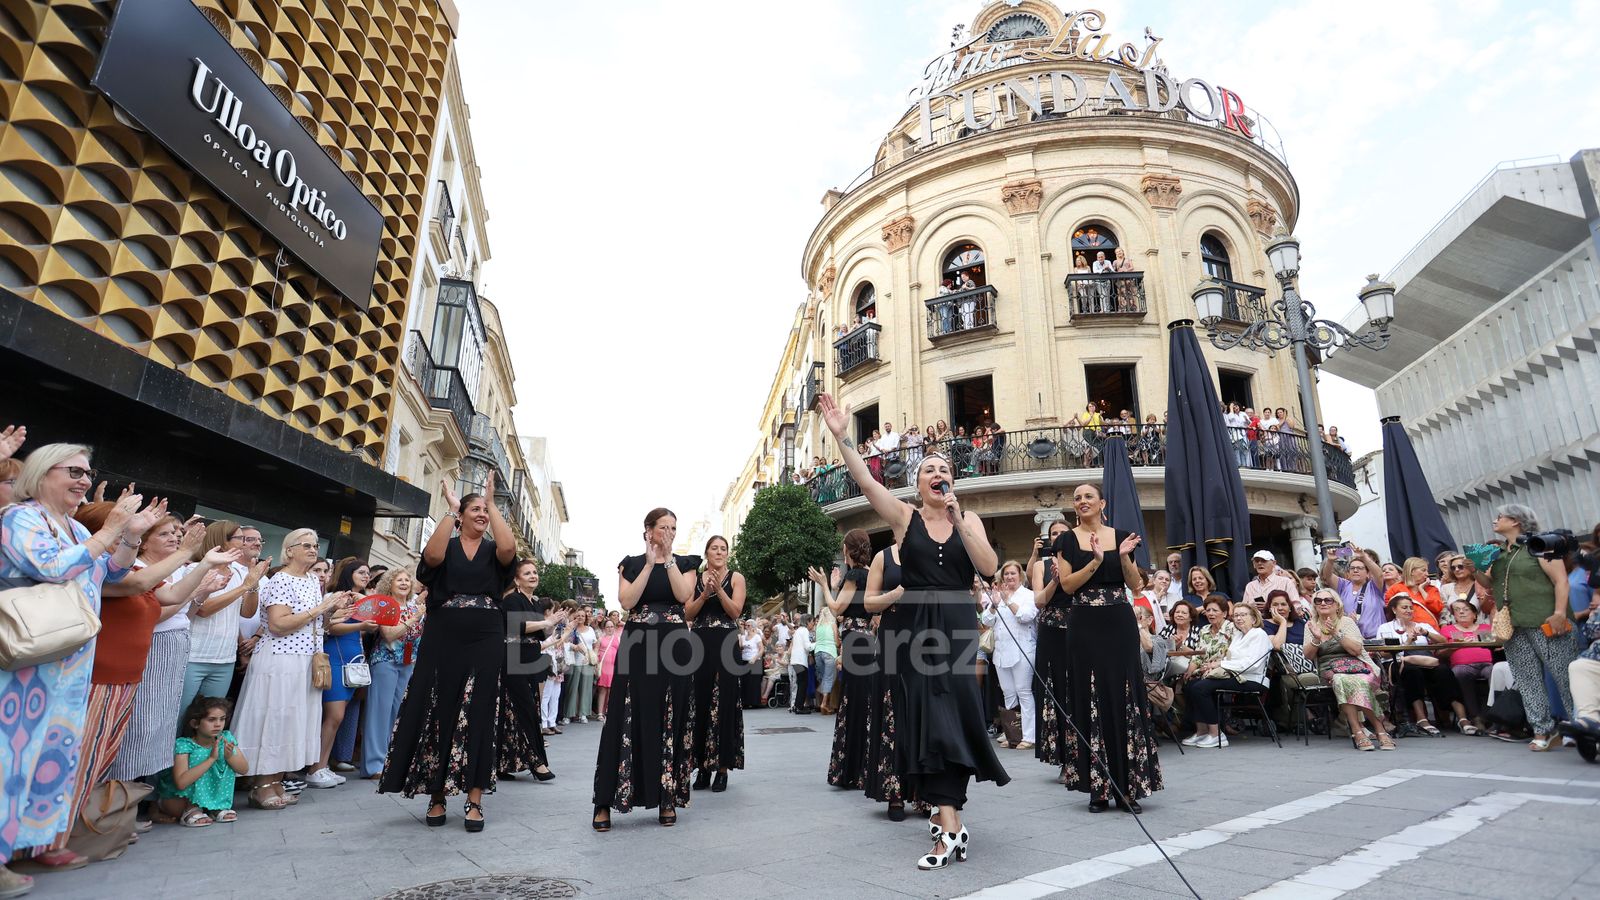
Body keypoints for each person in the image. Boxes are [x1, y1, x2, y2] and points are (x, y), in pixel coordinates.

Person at [818, 393, 1008, 870]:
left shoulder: (971, 519)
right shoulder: (905, 519)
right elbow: (864, 479)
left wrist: (961, 518)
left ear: (952, 479)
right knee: (928, 719)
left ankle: (950, 822)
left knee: (957, 716)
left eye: (942, 468)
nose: (936, 474)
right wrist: (843, 436)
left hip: (958, 623)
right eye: (927, 469)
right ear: (917, 483)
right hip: (916, 629)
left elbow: (987, 568)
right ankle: (949, 828)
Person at [0, 445, 161, 874]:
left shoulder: (73, 526)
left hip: (71, 663)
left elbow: (113, 572)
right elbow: (50, 567)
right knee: (12, 754)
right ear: (41, 472)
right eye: (74, 471)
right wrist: (109, 530)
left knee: (56, 753)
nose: (84, 481)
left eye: (88, 474)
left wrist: (129, 536)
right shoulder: (20, 518)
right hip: (27, 663)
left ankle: (41, 840)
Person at [66, 506, 233, 832]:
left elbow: (172, 595)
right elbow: (147, 596)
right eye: (165, 533)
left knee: (131, 738)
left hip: (130, 668)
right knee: (109, 745)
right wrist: (190, 557)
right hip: (105, 671)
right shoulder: (114, 571)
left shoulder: (148, 572)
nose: (175, 538)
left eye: (177, 534)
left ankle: (113, 812)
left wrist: (203, 569)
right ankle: (90, 817)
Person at [380, 477, 518, 832]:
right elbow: (432, 557)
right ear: (460, 515)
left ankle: (475, 800)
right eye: (475, 509)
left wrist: (490, 501)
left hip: (486, 634)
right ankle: (437, 794)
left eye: (485, 511)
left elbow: (508, 548)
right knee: (438, 708)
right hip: (443, 634)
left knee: (480, 710)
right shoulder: (450, 542)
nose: (482, 515)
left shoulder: (493, 552)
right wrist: (451, 510)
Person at [1051, 482, 1162, 813]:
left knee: (1124, 695)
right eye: (1077, 497)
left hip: (1119, 621)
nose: (1082, 501)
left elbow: (1135, 583)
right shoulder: (1066, 539)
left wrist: (1123, 556)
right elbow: (1067, 585)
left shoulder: (1122, 534)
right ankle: (1097, 789)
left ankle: (1129, 787)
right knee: (1089, 697)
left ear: (1102, 503)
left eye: (1088, 496)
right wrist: (1097, 561)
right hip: (1084, 623)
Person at [592, 508, 697, 831]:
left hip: (675, 646)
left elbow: (683, 595)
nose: (669, 533)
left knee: (671, 715)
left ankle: (666, 797)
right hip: (638, 645)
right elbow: (626, 601)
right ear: (648, 531)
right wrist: (650, 564)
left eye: (674, 528)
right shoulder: (632, 563)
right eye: (663, 527)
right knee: (625, 716)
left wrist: (667, 561)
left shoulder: (686, 563)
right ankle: (604, 801)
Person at [234, 528, 352, 810]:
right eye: (306, 545)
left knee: (291, 723)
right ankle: (261, 786)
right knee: (274, 720)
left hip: (305, 659)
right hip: (279, 660)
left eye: (315, 545)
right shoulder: (281, 579)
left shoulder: (312, 580)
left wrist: (331, 613)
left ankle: (276, 781)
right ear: (289, 551)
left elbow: (312, 623)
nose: (313, 550)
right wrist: (319, 610)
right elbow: (277, 624)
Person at [1487, 504, 1578, 751]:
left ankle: (1582, 725)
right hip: (1514, 624)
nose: (1495, 520)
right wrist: (1476, 566)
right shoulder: (1499, 552)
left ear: (1516, 521)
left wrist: (1560, 612)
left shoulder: (1541, 544)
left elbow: (1561, 580)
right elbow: (1488, 583)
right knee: (1527, 679)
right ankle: (1542, 729)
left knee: (1565, 675)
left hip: (1546, 620)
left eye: (1500, 517)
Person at [178, 520, 266, 716]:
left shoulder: (237, 573)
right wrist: (243, 587)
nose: (245, 543)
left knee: (211, 720)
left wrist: (253, 584)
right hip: (194, 655)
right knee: (181, 715)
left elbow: (247, 612)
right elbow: (204, 609)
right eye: (240, 538)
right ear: (222, 541)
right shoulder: (196, 569)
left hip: (225, 658)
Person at [302, 557, 376, 789]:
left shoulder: (359, 599)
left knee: (338, 717)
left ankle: (322, 766)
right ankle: (315, 768)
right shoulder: (335, 597)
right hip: (334, 658)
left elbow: (375, 614)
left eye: (367, 573)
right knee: (333, 716)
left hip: (352, 660)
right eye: (361, 572)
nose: (366, 576)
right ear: (349, 574)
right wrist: (361, 626)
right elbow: (331, 627)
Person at [685, 535, 747, 792]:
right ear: (707, 552)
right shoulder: (695, 578)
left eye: (723, 549)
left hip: (725, 643)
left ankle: (721, 768)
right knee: (699, 702)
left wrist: (719, 590)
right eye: (714, 548)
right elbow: (687, 613)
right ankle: (701, 768)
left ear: (727, 554)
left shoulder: (736, 578)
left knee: (724, 702)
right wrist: (705, 594)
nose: (719, 552)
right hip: (699, 643)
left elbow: (735, 612)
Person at [815, 529, 874, 792]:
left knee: (854, 701)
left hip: (855, 641)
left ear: (847, 550)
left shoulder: (855, 574)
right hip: (865, 640)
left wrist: (825, 585)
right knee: (861, 700)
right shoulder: (871, 573)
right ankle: (862, 766)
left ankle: (852, 769)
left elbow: (836, 608)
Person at [1303, 588, 1392, 751]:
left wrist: (1336, 633)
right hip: (1329, 668)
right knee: (1340, 679)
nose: (1323, 603)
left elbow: (1357, 650)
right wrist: (1316, 639)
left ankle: (1368, 730)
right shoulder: (1311, 625)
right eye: (1318, 601)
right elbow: (1308, 655)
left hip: (1358, 666)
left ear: (1337, 605)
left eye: (1327, 600)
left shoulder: (1347, 622)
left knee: (1356, 681)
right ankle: (1364, 730)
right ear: (1314, 606)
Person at [497, 559, 560, 782]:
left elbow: (541, 634)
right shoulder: (512, 600)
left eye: (535, 572)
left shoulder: (533, 603)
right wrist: (546, 622)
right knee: (525, 712)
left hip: (530, 661)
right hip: (513, 659)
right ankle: (537, 763)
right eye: (527, 573)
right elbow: (517, 626)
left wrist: (553, 623)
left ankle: (501, 763)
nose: (533, 575)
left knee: (514, 713)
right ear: (516, 579)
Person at [361, 568, 425, 778]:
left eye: (407, 580)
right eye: (399, 580)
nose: (405, 583)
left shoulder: (415, 605)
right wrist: (414, 618)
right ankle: (374, 765)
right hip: (386, 661)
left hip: (409, 662)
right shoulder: (385, 605)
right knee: (380, 713)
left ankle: (392, 760)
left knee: (399, 712)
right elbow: (389, 635)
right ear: (390, 583)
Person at [1183, 604, 1271, 747]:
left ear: (1254, 619)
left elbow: (1252, 664)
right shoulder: (1239, 635)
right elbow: (1231, 660)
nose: (1238, 618)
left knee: (1201, 688)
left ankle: (1216, 734)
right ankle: (1203, 732)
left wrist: (1220, 665)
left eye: (1243, 615)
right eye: (1236, 615)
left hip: (1251, 679)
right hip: (1236, 676)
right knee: (1193, 684)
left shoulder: (1258, 634)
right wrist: (1213, 666)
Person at [1378, 594, 1468, 736]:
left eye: (1410, 608)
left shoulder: (1422, 626)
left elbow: (1443, 640)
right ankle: (1421, 718)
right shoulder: (1386, 627)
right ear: (1394, 610)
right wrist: (1407, 642)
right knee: (1413, 672)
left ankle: (1463, 719)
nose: (1408, 610)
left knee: (1444, 671)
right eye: (1404, 607)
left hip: (1425, 661)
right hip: (1399, 663)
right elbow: (1384, 653)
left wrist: (1426, 633)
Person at [155, 696, 249, 827]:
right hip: (180, 800)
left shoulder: (226, 738)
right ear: (195, 723)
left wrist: (229, 757)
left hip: (211, 799)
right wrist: (211, 759)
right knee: (200, 757)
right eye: (211, 720)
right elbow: (181, 783)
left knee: (225, 759)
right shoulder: (184, 745)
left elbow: (244, 769)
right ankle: (191, 808)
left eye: (222, 719)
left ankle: (217, 807)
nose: (218, 724)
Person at [987, 560, 1037, 750]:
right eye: (1006, 574)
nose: (1009, 577)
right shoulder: (998, 595)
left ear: (1020, 575)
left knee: (1023, 692)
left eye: (1012, 574)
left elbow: (1025, 616)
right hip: (1001, 653)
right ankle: (1012, 734)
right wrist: (994, 604)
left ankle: (1029, 736)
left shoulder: (1028, 595)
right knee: (1008, 694)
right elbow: (987, 620)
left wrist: (1008, 601)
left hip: (1023, 650)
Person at [1262, 591, 1319, 730]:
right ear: (1269, 608)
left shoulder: (1300, 623)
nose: (1280, 608)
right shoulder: (1265, 624)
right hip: (1284, 667)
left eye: (1283, 604)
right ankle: (1306, 717)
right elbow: (1277, 645)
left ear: (1289, 607)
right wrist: (1282, 622)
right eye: (1275, 604)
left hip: (1311, 662)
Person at [1440, 599, 1491, 734]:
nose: (1461, 612)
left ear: (1475, 614)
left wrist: (1479, 642)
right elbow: (1439, 653)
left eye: (1466, 609)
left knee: (1495, 672)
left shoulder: (1485, 628)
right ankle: (1476, 717)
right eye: (1457, 610)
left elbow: (1494, 646)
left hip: (1487, 663)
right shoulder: (1447, 630)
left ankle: (1491, 715)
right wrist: (1455, 646)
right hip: (1462, 665)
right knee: (1461, 673)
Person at [1321, 551, 1385, 639]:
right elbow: (1327, 576)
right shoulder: (1343, 585)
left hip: (1375, 638)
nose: (1355, 570)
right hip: (1350, 637)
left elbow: (1380, 575)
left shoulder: (1374, 586)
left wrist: (1364, 557)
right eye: (1352, 568)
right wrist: (1330, 561)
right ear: (1348, 573)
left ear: (1368, 574)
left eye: (1360, 568)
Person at [561, 609, 598, 724]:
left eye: (583, 616)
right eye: (578, 616)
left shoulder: (591, 629)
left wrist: (594, 656)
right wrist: (574, 647)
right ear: (575, 617)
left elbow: (596, 644)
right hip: (573, 661)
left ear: (586, 617)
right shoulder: (571, 629)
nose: (581, 617)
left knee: (586, 689)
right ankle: (568, 715)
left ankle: (583, 714)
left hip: (587, 662)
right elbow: (564, 642)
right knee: (572, 689)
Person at [1386, 557, 1444, 628]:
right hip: (1405, 630)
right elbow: (1390, 612)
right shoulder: (1395, 589)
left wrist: (1422, 590)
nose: (1427, 574)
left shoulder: (1432, 589)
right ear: (1412, 571)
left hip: (1430, 632)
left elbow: (1437, 608)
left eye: (1427, 571)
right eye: (1423, 570)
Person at [1159, 601, 1202, 679]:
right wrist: (1170, 645)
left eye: (1184, 613)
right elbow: (1158, 651)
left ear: (1191, 617)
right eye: (1177, 612)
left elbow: (1199, 655)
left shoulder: (1198, 632)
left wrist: (1180, 647)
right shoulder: (1167, 629)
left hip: (1190, 669)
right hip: (1167, 670)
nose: (1179, 615)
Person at [812, 607, 839, 714]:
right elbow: (837, 642)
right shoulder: (833, 625)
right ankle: (824, 703)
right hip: (829, 652)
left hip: (818, 653)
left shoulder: (818, 626)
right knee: (829, 678)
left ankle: (824, 703)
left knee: (823, 678)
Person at [788, 614, 814, 713]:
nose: (813, 624)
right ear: (807, 622)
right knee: (803, 683)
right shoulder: (805, 631)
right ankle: (799, 707)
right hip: (800, 661)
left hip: (795, 660)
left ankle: (797, 706)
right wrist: (818, 643)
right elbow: (808, 647)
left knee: (801, 682)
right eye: (812, 622)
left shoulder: (799, 630)